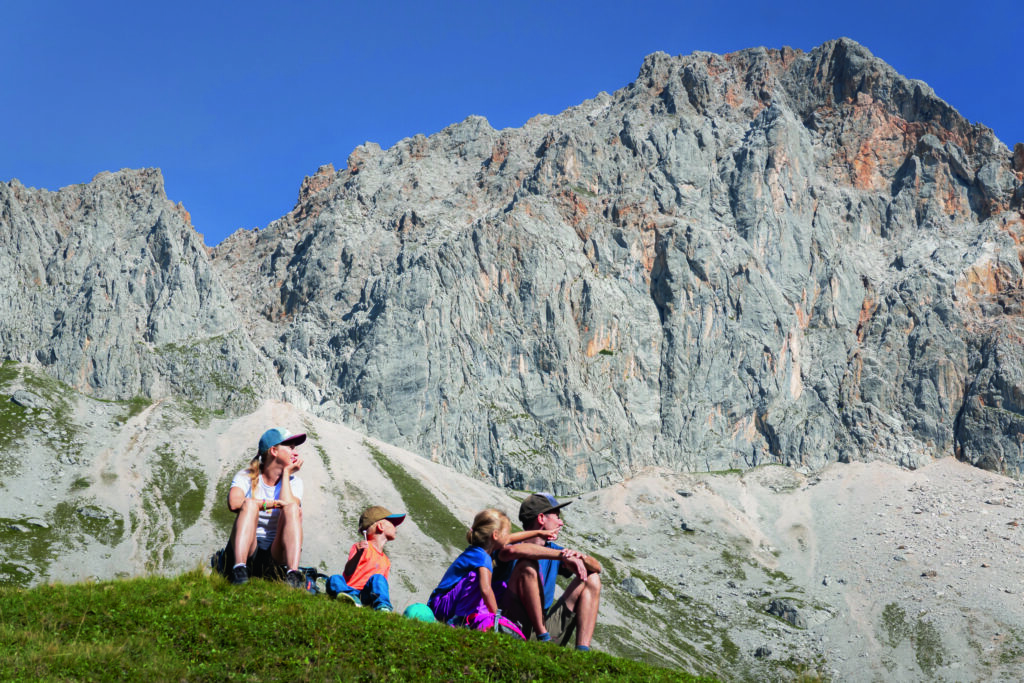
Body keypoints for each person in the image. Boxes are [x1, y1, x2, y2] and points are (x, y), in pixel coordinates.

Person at [495, 492, 603, 651]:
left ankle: (582, 654)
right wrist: (562, 557)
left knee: (591, 579)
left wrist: (582, 558)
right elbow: (514, 552)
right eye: (557, 517)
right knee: (527, 565)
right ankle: (541, 637)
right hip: (510, 626)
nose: (561, 523)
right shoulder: (510, 545)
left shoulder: (552, 550)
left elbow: (597, 567)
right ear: (541, 519)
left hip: (542, 628)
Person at [427, 508, 556, 628]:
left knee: (501, 587)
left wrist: (539, 532)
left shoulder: (480, 551)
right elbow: (486, 590)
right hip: (440, 606)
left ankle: (478, 616)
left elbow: (509, 538)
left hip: (446, 602)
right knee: (477, 578)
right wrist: (497, 619)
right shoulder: (482, 558)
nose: (509, 537)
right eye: (507, 533)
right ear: (495, 535)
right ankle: (459, 620)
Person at [220, 427, 306, 588]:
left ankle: (292, 574)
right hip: (249, 548)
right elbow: (234, 503)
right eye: (290, 447)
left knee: (294, 509)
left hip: (275, 554)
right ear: (273, 450)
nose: (295, 453)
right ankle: (239, 569)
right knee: (250, 504)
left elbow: (290, 506)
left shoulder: (295, 482)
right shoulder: (246, 476)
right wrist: (269, 504)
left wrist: (286, 474)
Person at [326, 505, 405, 611]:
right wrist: (358, 554)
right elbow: (348, 572)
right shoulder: (360, 547)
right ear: (380, 526)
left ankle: (383, 606)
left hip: (367, 595)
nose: (396, 528)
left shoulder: (386, 561)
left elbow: (381, 586)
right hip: (350, 590)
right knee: (334, 579)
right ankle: (349, 598)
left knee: (379, 579)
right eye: (393, 523)